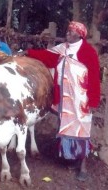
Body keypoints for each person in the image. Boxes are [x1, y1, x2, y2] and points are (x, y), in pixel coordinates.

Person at [26, 21, 100, 181]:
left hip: (81, 101)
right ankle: (72, 159)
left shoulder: (88, 52)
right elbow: (47, 57)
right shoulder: (62, 49)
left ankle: (83, 165)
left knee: (81, 129)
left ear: (80, 35)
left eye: (72, 31)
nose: (68, 33)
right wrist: (28, 52)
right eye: (68, 30)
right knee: (66, 127)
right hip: (65, 101)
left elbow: (94, 78)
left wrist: (93, 100)